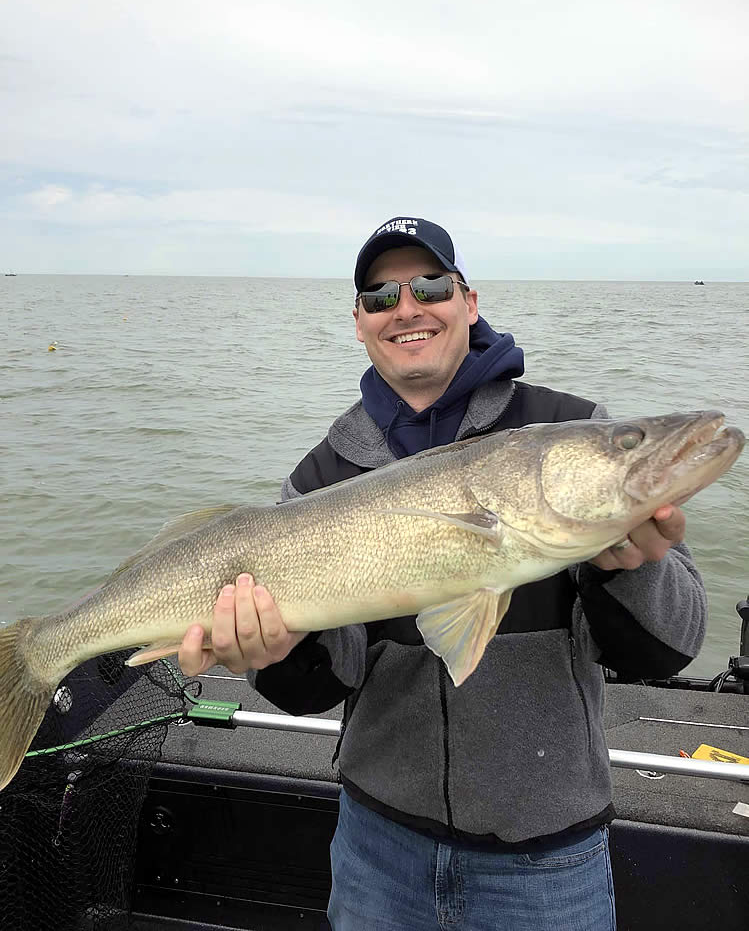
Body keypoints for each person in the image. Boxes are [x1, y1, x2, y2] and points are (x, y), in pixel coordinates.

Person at [179, 216, 707, 931]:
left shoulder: (568, 420)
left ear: (468, 301)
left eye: (430, 286)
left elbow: (670, 648)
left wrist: (631, 571)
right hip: (376, 848)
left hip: (547, 860)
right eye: (380, 296)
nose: (406, 307)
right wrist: (271, 654)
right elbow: (318, 687)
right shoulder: (321, 474)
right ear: (360, 323)